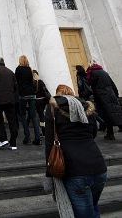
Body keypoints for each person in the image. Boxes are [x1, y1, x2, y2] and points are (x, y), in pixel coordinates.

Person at [45, 84, 107, 218]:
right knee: (93, 207)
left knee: (84, 213)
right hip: (99, 167)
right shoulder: (86, 108)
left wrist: (50, 172)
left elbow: (49, 142)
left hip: (75, 170)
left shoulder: (52, 110)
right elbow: (93, 133)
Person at [87, 60, 122, 140]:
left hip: (102, 96)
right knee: (115, 113)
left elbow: (90, 84)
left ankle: (110, 134)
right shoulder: (104, 72)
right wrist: (116, 94)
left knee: (107, 115)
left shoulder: (93, 73)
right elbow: (112, 83)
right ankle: (110, 133)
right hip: (111, 94)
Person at [0, 57, 18, 150]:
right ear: (4, 63)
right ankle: (13, 143)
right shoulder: (10, 72)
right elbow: (15, 86)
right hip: (10, 99)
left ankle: (3, 139)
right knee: (12, 121)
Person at [15, 55, 41, 145]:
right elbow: (31, 80)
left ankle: (27, 137)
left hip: (23, 94)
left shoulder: (18, 69)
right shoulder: (29, 69)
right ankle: (37, 137)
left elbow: (16, 82)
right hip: (32, 94)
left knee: (22, 115)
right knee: (33, 116)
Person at [30, 70, 51, 136]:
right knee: (42, 116)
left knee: (36, 117)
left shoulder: (31, 83)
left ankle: (40, 131)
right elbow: (45, 91)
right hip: (42, 101)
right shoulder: (41, 82)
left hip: (35, 101)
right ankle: (44, 131)